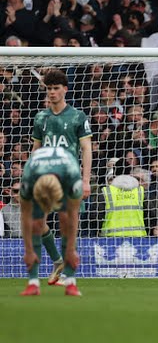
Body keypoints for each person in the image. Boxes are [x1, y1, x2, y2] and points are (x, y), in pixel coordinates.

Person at [30, 69, 92, 287]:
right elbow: (36, 149)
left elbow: (86, 149)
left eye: (56, 88)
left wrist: (85, 181)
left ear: (65, 89)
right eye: (49, 89)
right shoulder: (41, 118)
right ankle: (57, 261)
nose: (52, 92)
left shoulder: (77, 116)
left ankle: (67, 271)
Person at [20, 147, 84, 297]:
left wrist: (71, 249)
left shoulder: (72, 175)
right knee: (37, 223)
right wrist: (28, 251)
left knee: (65, 218)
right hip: (40, 176)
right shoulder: (28, 178)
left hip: (63, 176)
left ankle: (70, 282)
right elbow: (26, 215)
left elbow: (73, 214)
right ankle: (33, 283)